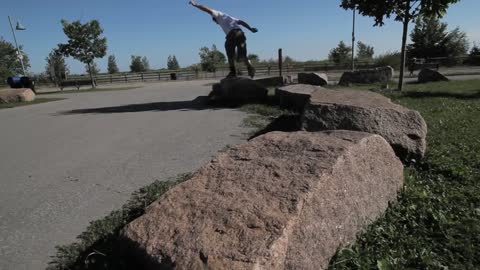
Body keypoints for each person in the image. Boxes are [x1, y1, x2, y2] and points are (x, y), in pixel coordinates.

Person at [189, 1, 258, 79]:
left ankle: (235, 72)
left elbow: (207, 10)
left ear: (215, 19)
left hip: (234, 34)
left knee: (231, 55)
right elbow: (241, 22)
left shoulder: (218, 14)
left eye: (216, 22)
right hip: (239, 34)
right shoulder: (229, 17)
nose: (217, 24)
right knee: (240, 55)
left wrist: (195, 5)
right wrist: (250, 28)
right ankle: (248, 68)